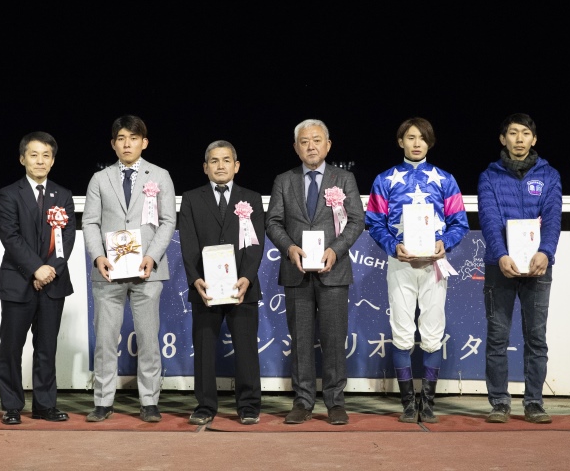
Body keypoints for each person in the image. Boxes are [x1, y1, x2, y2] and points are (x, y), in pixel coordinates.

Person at [365, 117, 469, 423]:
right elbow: (374, 222)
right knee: (402, 332)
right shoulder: (384, 180)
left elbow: (459, 223)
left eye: (422, 138)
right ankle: (408, 404)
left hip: (434, 265)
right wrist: (392, 246)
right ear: (400, 142)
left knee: (433, 332)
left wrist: (444, 243)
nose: (416, 143)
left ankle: (429, 402)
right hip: (400, 264)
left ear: (429, 142)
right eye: (410, 138)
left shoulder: (445, 179)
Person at [265, 119, 365, 425]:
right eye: (304, 141)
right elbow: (273, 222)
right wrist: (289, 248)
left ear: (328, 145)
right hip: (296, 271)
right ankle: (303, 401)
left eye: (317, 140)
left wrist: (336, 250)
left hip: (333, 270)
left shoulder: (344, 178)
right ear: (296, 147)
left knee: (334, 339)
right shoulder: (284, 180)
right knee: (301, 340)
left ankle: (335, 402)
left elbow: (356, 220)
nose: (311, 146)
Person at [82, 115, 176, 423]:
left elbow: (168, 221)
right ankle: (102, 401)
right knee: (105, 340)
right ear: (113, 144)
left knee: (149, 339)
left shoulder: (160, 175)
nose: (127, 144)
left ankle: (149, 401)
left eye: (133, 138)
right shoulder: (100, 179)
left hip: (147, 270)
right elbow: (90, 222)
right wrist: (98, 256)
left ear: (144, 142)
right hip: (108, 271)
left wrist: (152, 256)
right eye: (121, 138)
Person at [478, 113, 561, 424]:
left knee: (536, 338)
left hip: (538, 266)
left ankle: (534, 402)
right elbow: (489, 218)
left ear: (534, 139)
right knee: (497, 337)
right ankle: (499, 403)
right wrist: (501, 255)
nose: (519, 139)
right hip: (499, 266)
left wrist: (546, 252)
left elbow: (553, 217)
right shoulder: (489, 176)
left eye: (525, 133)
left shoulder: (549, 175)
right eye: (513, 133)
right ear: (503, 139)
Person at [178, 140, 265, 425]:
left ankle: (249, 405)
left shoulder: (251, 198)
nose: (220, 166)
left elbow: (256, 244)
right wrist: (196, 279)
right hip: (206, 288)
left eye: (226, 160)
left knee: (246, 349)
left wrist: (247, 277)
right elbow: (188, 243)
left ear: (236, 166)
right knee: (204, 349)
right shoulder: (191, 198)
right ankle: (205, 406)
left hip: (242, 287)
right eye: (214, 161)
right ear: (205, 167)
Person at [0, 132, 76, 425]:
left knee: (46, 348)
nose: (40, 161)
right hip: (17, 282)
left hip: (53, 284)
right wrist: (35, 269)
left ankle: (45, 405)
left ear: (52, 161)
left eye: (46, 156)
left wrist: (49, 270)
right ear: (22, 159)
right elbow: (10, 237)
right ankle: (12, 405)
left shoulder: (63, 195)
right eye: (34, 155)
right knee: (11, 347)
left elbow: (67, 238)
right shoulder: (8, 194)